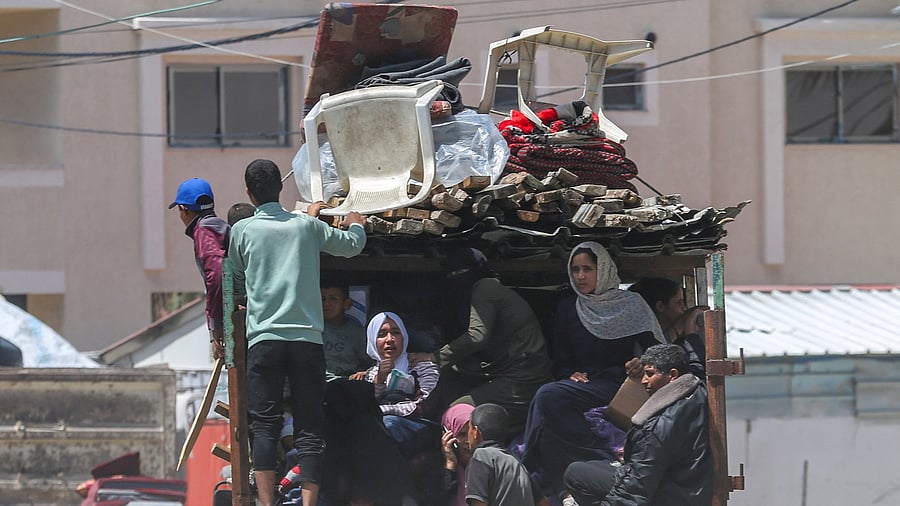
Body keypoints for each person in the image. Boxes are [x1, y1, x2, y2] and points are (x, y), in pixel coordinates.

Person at [227, 159, 366, 506]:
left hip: (264, 341)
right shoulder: (306, 226)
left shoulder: (242, 231)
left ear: (249, 193)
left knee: (265, 425)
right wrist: (356, 224)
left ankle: (265, 501)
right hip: (306, 342)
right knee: (309, 426)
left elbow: (239, 278)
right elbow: (351, 245)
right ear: (281, 189)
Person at [522, 241, 665, 503]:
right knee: (550, 398)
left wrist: (640, 363)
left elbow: (658, 353)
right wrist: (570, 374)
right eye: (575, 270)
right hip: (585, 385)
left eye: (587, 269)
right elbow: (560, 358)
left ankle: (529, 458)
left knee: (547, 396)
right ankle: (567, 483)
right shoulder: (569, 308)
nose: (580, 276)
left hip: (621, 385)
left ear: (604, 270)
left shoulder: (632, 304)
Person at [409, 248, 553, 435]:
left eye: (460, 273)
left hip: (524, 379)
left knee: (457, 414)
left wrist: (433, 357)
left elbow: (477, 336)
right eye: (450, 274)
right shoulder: (481, 292)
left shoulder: (485, 287)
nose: (455, 278)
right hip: (506, 374)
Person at [563, 343, 711, 506]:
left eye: (650, 374)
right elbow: (698, 365)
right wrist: (691, 336)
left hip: (672, 496)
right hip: (687, 486)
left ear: (672, 375)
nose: (643, 380)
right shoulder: (696, 388)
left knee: (575, 474)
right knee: (592, 467)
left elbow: (636, 490)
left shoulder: (659, 426)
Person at [362, 311, 440, 458]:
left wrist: (381, 411)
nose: (390, 339)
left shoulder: (422, 366)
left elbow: (423, 407)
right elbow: (366, 406)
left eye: (395, 333)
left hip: (419, 426)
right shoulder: (372, 374)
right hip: (383, 425)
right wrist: (379, 381)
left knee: (387, 424)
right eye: (382, 334)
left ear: (404, 337)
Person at [169, 177, 229, 360]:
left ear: (183, 209)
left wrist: (216, 325)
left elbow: (217, 275)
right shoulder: (222, 228)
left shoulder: (203, 231)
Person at [464, 403, 549, 506]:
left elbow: (478, 503)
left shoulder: (481, 456)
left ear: (475, 433)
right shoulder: (516, 463)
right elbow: (543, 502)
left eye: (468, 428)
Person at [628, 277, 707, 377]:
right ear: (660, 306)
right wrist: (690, 333)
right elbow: (696, 374)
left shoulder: (675, 334)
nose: (684, 308)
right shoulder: (640, 343)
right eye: (679, 302)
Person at [321, 281, 372, 381]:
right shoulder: (313, 328)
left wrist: (364, 373)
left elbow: (369, 361)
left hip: (348, 382)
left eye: (333, 299)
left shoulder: (357, 332)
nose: (326, 303)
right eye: (322, 299)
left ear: (347, 304)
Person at [440, 403, 475, 506]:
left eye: (472, 433)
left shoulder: (492, 464)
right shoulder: (434, 466)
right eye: (462, 434)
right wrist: (450, 465)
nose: (469, 440)